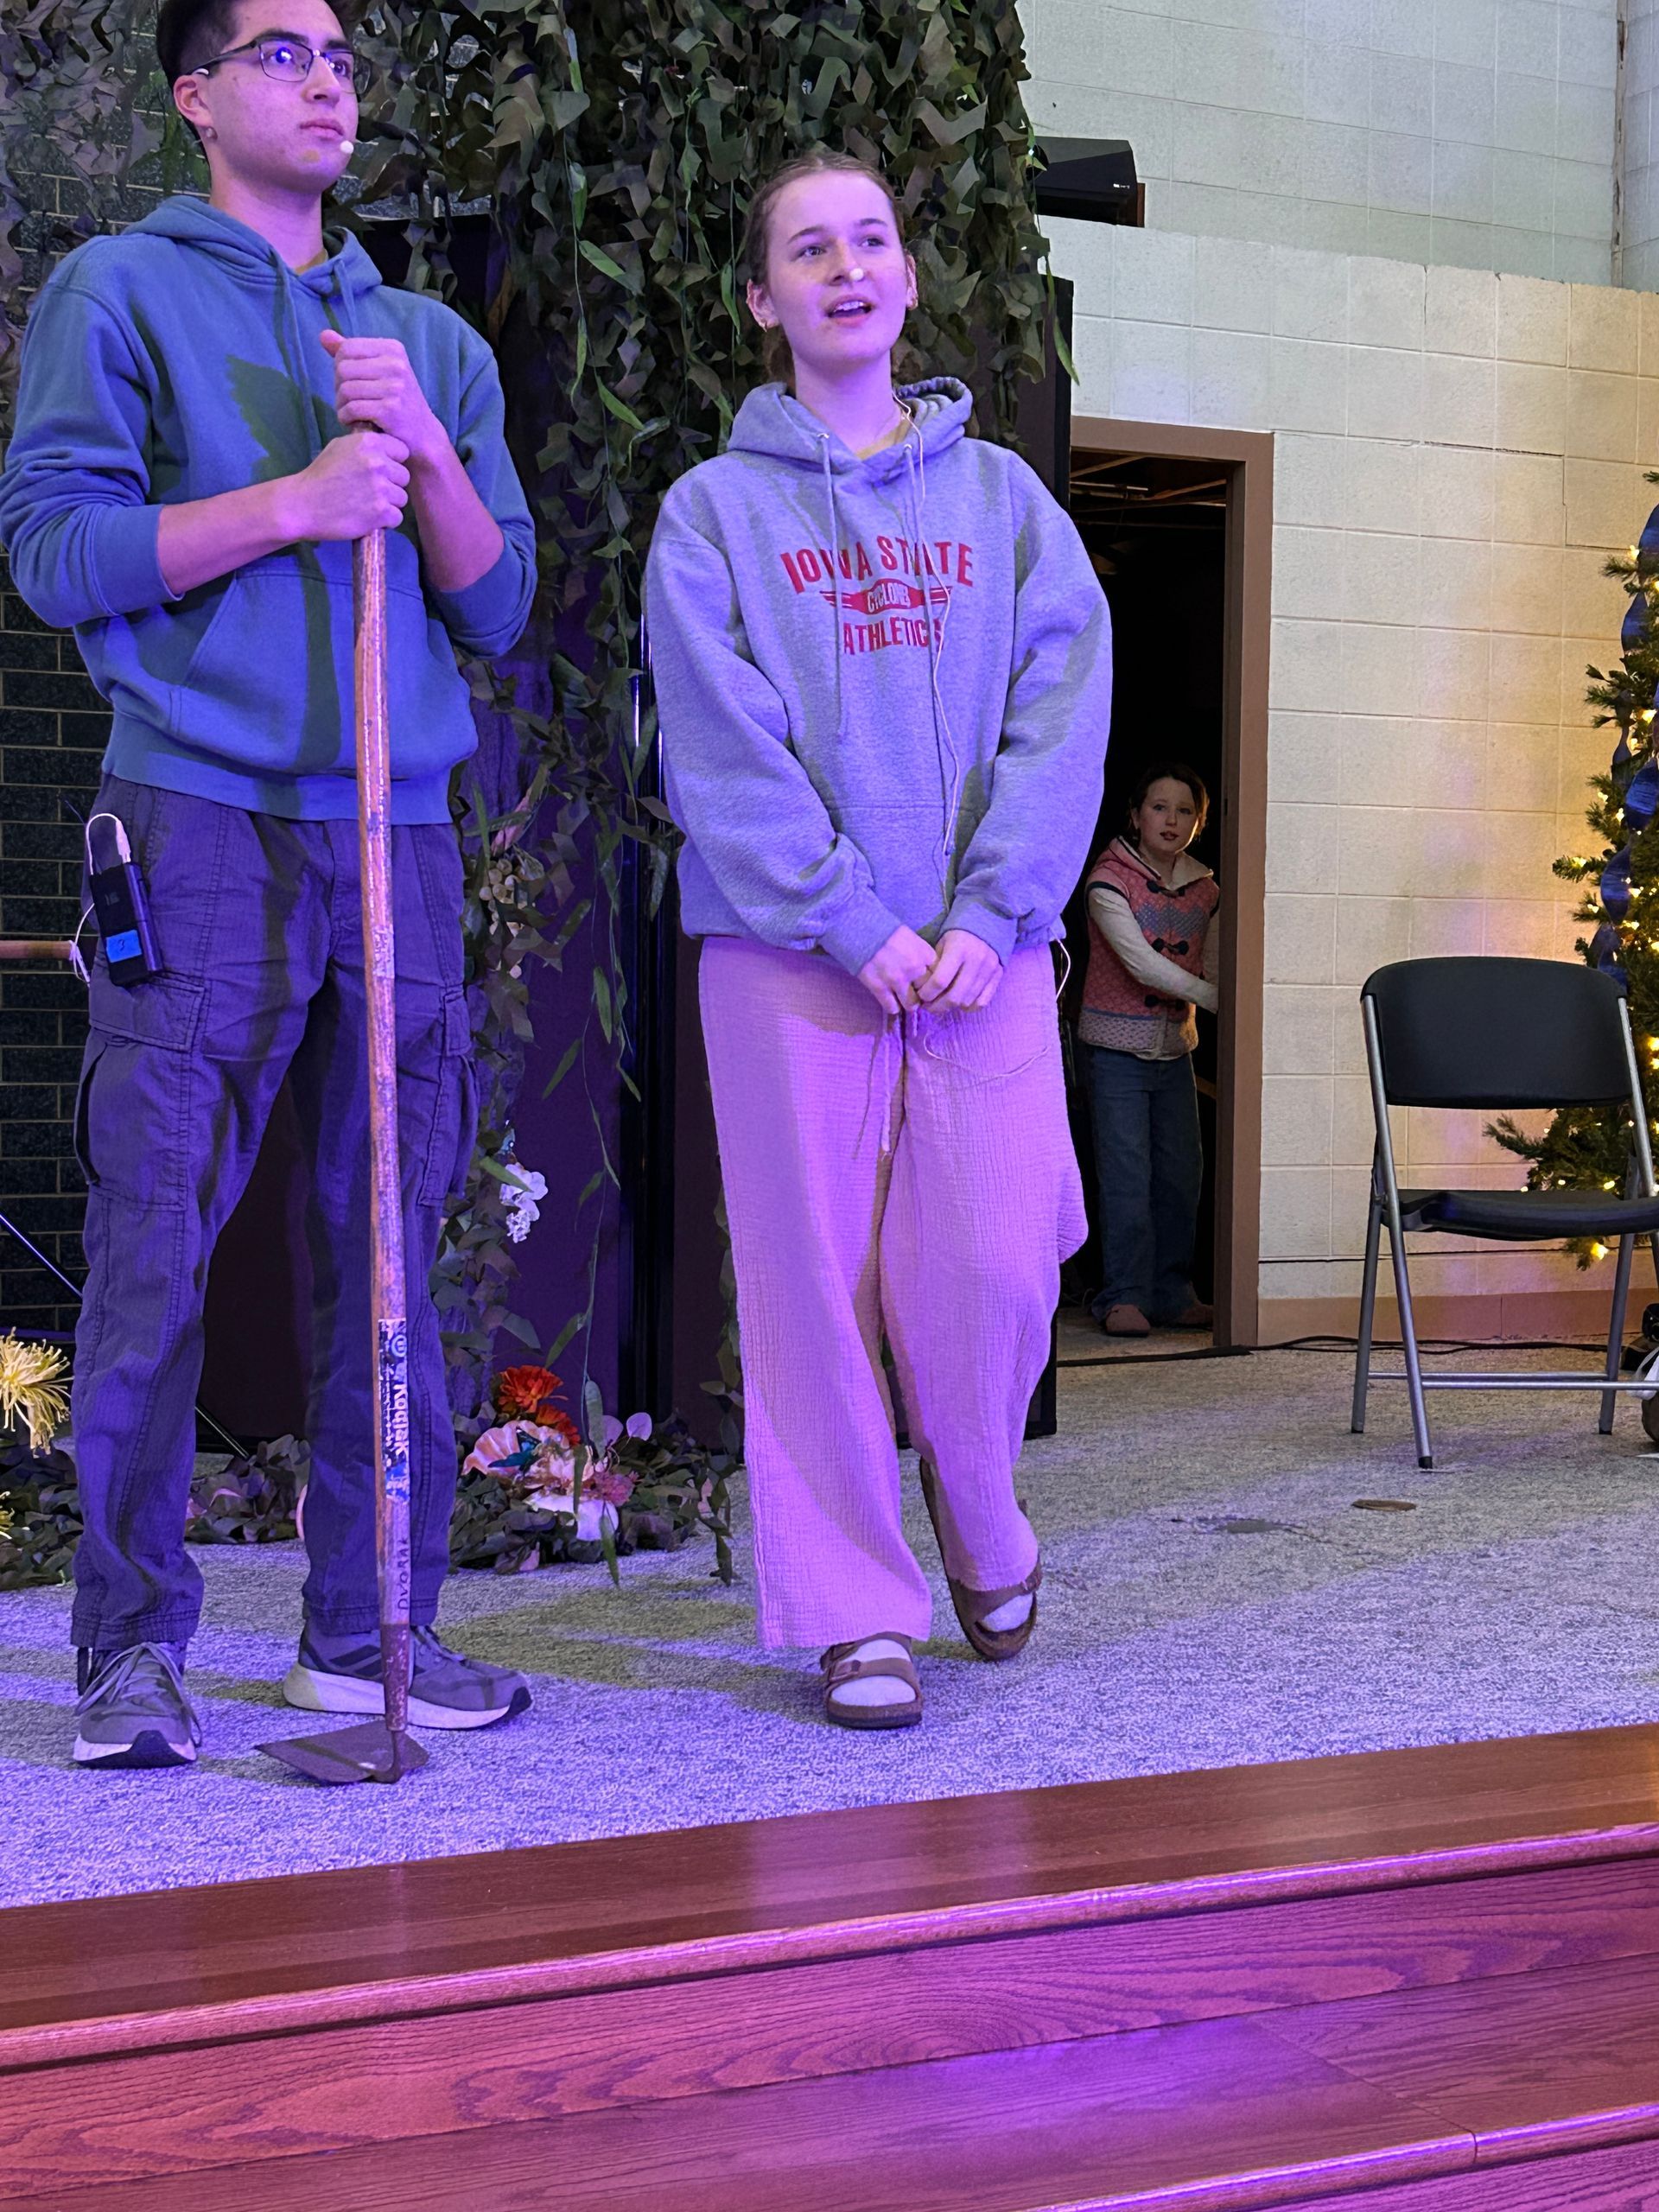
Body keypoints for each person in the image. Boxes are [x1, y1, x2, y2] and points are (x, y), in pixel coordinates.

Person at [0, 0, 537, 1768]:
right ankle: (128, 1646)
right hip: (198, 818)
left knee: (390, 1242)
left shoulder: (424, 341)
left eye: (342, 58)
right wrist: (296, 503)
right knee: (156, 1238)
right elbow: (55, 551)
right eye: (284, 51)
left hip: (397, 827)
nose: (326, 80)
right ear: (195, 93)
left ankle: (364, 1632)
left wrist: (424, 455)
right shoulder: (118, 293)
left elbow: (498, 601)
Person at [645, 149, 1111, 1731]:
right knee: (813, 1290)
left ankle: (982, 1512)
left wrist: (992, 912)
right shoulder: (713, 516)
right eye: (808, 248)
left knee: (990, 1263)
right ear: (760, 298)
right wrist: (850, 919)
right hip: (789, 961)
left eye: (871, 240)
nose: (846, 267)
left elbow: (1063, 715)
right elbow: (722, 752)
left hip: (986, 959)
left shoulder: (1007, 503)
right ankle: (854, 1610)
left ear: (909, 279)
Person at [1077, 765, 1221, 1338]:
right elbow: (1141, 963)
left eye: (1185, 811)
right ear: (1136, 816)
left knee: (1183, 1174)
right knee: (1126, 1175)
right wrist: (1219, 1000)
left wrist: (1221, 993)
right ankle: (1123, 1296)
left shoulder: (1207, 889)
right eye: (1159, 807)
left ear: (1199, 823)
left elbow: (1215, 960)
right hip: (1114, 1051)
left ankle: (1172, 1293)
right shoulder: (1107, 880)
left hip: (1175, 1050)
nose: (1171, 820)